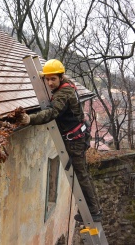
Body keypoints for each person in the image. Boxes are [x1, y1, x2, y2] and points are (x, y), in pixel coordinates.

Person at [20, 59, 102, 222]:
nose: (50, 83)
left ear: (60, 77)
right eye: (47, 79)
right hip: (79, 135)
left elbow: (52, 113)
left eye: (53, 79)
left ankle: (93, 211)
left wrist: (30, 119)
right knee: (82, 174)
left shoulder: (63, 93)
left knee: (81, 175)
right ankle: (92, 208)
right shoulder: (67, 85)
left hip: (75, 140)